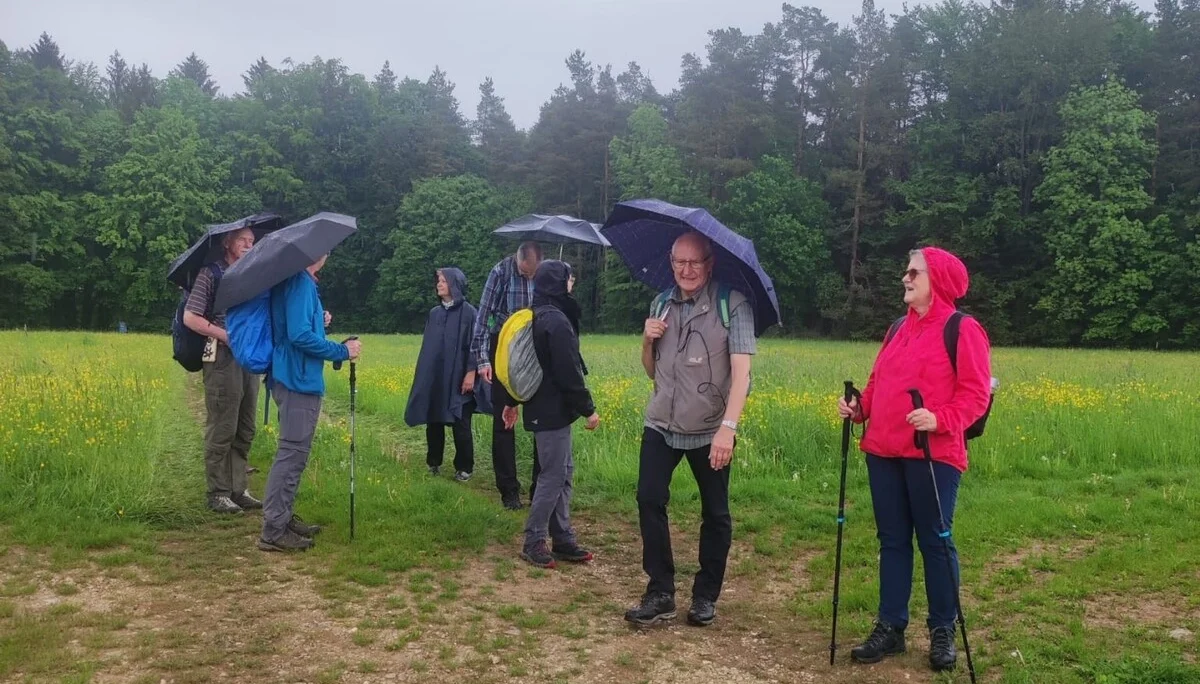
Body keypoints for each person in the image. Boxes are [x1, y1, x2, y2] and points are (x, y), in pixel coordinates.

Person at [836, 247, 991, 672]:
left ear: (937, 279)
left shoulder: (962, 329)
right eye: (907, 271)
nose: (905, 278)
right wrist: (859, 408)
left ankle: (942, 629)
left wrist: (940, 419)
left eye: (914, 272)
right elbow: (877, 383)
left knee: (936, 542)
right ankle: (891, 627)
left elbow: (976, 395)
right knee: (892, 541)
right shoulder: (897, 328)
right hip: (883, 451)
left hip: (933, 454)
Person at [624, 232, 755, 628]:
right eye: (679, 261)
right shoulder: (661, 303)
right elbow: (653, 372)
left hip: (711, 427)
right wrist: (646, 341)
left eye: (695, 262)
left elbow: (743, 374)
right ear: (671, 262)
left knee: (715, 513)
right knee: (649, 499)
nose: (686, 269)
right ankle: (660, 591)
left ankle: (705, 596)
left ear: (709, 264)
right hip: (661, 423)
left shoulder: (733, 304)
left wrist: (727, 429)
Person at [257, 254, 362, 552]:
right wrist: (342, 351)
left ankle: (282, 518)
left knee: (294, 453)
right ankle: (274, 529)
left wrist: (319, 319)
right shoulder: (300, 281)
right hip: (297, 379)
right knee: (292, 454)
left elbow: (296, 327)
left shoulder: (296, 281)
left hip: (291, 375)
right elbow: (299, 335)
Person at [501, 260, 598, 568]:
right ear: (558, 283)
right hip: (551, 410)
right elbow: (568, 372)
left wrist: (512, 402)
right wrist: (588, 409)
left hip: (543, 408)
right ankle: (534, 541)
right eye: (568, 278)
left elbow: (526, 363)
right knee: (553, 475)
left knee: (562, 473)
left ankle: (563, 538)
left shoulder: (537, 314)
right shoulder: (555, 321)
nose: (572, 283)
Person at [183, 226, 263, 514]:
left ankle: (238, 489)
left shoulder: (253, 274)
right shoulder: (211, 273)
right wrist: (226, 335)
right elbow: (191, 317)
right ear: (227, 242)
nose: (249, 244)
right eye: (243, 239)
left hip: (249, 356)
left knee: (245, 425)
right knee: (223, 425)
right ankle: (218, 493)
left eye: (252, 240)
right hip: (221, 355)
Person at [472, 242, 544, 510]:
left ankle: (541, 489)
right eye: (525, 273)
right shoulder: (500, 272)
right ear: (518, 260)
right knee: (504, 422)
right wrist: (482, 360)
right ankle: (508, 490)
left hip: (536, 349)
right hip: (503, 348)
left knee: (542, 421)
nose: (529, 277)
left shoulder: (545, 273)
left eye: (533, 274)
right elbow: (483, 319)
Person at [404, 268, 491, 481]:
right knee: (434, 420)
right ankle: (433, 462)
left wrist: (471, 373)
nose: (439, 284)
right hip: (436, 377)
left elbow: (477, 345)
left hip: (461, 378)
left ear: (455, 284)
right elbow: (428, 348)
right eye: (439, 281)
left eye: (443, 281)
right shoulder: (434, 313)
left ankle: (464, 467)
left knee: (461, 423)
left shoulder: (470, 313)